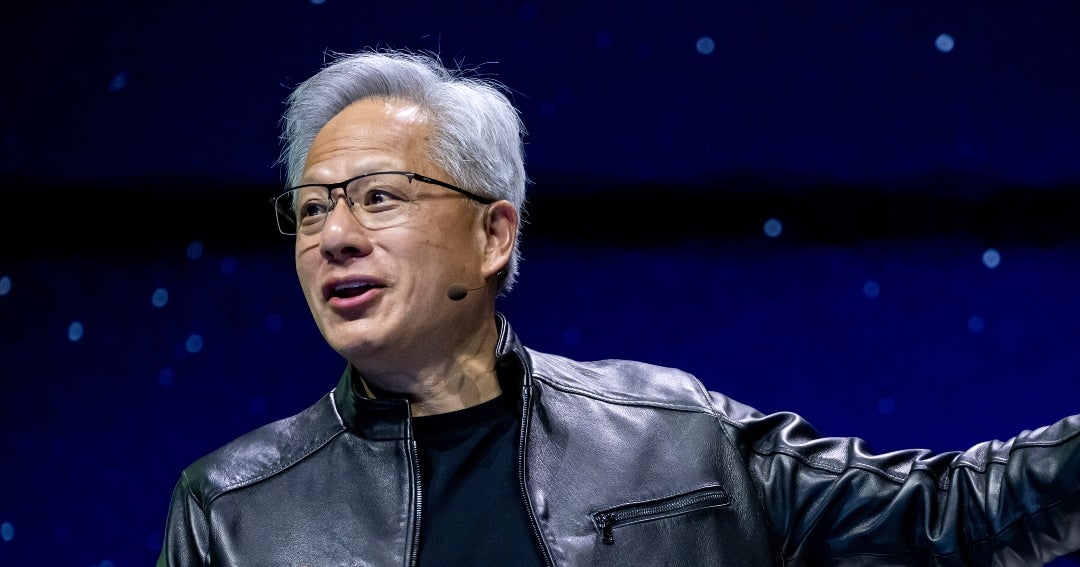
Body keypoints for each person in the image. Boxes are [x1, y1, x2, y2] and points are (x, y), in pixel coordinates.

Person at [156, 47, 1080, 566]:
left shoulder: (677, 436)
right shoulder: (231, 509)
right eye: (311, 208)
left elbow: (959, 511)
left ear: (493, 234)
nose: (333, 235)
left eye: (378, 197)